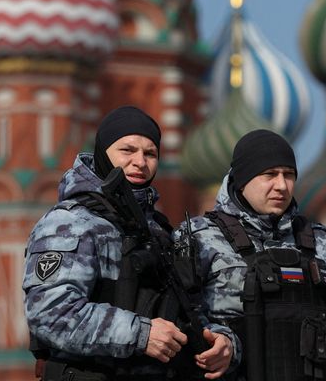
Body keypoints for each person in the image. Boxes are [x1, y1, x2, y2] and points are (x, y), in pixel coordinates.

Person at [23, 106, 235, 381]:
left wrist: (222, 342)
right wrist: (140, 334)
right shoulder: (70, 223)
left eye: (150, 154)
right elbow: (50, 313)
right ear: (103, 154)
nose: (140, 162)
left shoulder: (157, 229)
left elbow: (183, 307)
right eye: (127, 150)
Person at [177, 129, 326, 381]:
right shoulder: (198, 239)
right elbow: (179, 316)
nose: (281, 185)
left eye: (288, 175)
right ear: (243, 180)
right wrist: (224, 343)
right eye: (269, 174)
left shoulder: (319, 244)